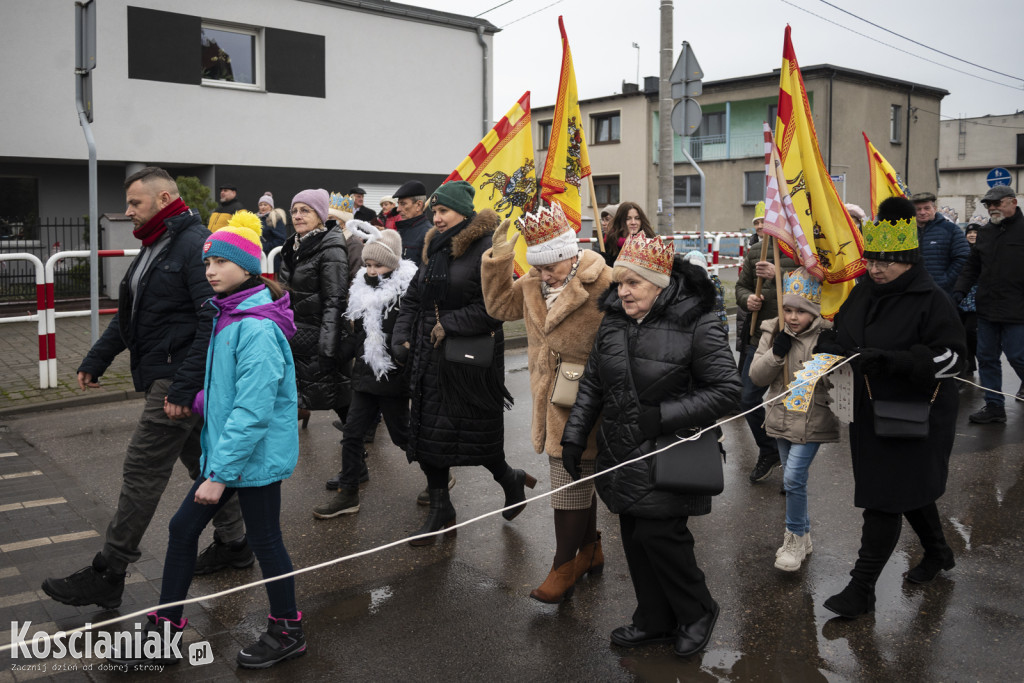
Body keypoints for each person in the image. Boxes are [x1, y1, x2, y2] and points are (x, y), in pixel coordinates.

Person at [42, 167, 249, 610]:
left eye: (136, 203)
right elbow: (132, 314)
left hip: (177, 378)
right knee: (203, 461)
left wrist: (182, 388)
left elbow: (209, 318)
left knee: (142, 469)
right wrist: (98, 357)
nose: (128, 211)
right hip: (170, 374)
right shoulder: (155, 244)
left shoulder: (194, 245)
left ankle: (109, 572)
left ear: (164, 198)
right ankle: (236, 544)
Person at [112, 211, 305, 668]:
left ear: (248, 268)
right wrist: (202, 402)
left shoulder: (254, 327)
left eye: (221, 261)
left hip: (249, 458)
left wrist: (217, 474)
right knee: (183, 529)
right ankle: (166, 632)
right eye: (206, 263)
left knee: (264, 540)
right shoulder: (229, 315)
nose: (211, 271)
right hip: (229, 453)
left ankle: (288, 629)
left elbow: (253, 410)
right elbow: (232, 393)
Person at [560, 232, 740, 657]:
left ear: (659, 284)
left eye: (632, 283)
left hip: (670, 451)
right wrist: (574, 437)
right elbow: (591, 385)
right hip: (621, 451)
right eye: (619, 283)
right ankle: (654, 620)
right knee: (636, 539)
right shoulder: (614, 320)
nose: (622, 291)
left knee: (662, 537)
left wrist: (663, 416)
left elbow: (729, 390)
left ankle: (698, 611)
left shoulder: (698, 320)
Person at [819, 196, 965, 619]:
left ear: (908, 261)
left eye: (886, 262)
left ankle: (860, 588)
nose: (875, 269)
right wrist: (831, 347)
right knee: (907, 491)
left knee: (884, 500)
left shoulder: (932, 299)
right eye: (872, 260)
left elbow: (956, 358)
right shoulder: (865, 290)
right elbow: (843, 332)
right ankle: (938, 553)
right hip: (870, 413)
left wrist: (897, 361)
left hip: (919, 416)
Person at [481, 203, 613, 603]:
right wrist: (500, 260)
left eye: (551, 267)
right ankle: (590, 551)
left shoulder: (604, 282)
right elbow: (498, 307)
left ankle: (562, 566)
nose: (544, 275)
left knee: (568, 479)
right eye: (537, 268)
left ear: (571, 254)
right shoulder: (531, 286)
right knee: (578, 473)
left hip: (588, 397)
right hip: (550, 396)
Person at [391, 181, 533, 545]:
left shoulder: (488, 248)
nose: (436, 218)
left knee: (476, 439)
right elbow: (413, 298)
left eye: (443, 211)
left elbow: (495, 309)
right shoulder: (432, 247)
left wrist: (447, 324)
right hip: (428, 354)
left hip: (468, 360)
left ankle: (509, 478)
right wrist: (401, 336)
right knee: (430, 438)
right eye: (434, 212)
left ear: (463, 213)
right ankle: (441, 509)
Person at [314, 223, 416, 518]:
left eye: (378, 265)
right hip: (364, 377)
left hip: (392, 378)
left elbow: (409, 338)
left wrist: (402, 355)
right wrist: (333, 357)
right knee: (352, 434)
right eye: (368, 264)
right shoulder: (360, 292)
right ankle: (348, 493)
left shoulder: (404, 295)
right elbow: (358, 337)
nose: (371, 270)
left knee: (402, 436)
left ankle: (437, 476)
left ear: (393, 264)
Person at [749, 267, 839, 572]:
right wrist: (776, 353)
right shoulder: (774, 331)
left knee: (792, 479)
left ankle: (794, 538)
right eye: (788, 309)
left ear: (813, 311)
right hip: (780, 415)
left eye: (800, 311)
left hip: (813, 418)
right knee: (794, 478)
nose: (792, 317)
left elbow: (838, 384)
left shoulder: (827, 335)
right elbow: (756, 377)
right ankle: (805, 533)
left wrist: (829, 360)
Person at [278, 189, 351, 429]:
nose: (297, 216)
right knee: (320, 394)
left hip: (318, 338)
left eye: (305, 210)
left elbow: (335, 300)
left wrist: (327, 349)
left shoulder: (330, 248)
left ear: (320, 215)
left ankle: (357, 448)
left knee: (338, 396)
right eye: (294, 211)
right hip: (296, 336)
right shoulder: (293, 246)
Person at [735, 207, 798, 484]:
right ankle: (769, 450)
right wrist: (747, 299)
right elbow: (741, 287)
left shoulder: (802, 251)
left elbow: (814, 287)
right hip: (759, 338)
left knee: (792, 403)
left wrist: (778, 275)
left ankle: (794, 467)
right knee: (748, 398)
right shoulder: (755, 251)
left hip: (795, 338)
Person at [953, 186, 1024, 422]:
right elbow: (972, 267)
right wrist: (959, 291)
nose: (992, 208)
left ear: (1013, 202)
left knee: (1017, 356)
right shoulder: (985, 233)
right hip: (987, 308)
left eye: (997, 203)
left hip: (1018, 309)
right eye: (988, 205)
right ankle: (994, 407)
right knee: (986, 358)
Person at [911, 191, 969, 297]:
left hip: (941, 293)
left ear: (935, 209)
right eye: (918, 209)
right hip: (913, 292)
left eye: (927, 208)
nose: (922, 212)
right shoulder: (906, 231)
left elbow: (963, 257)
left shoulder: (950, 229)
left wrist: (944, 281)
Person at [957, 220, 984, 379]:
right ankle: (969, 365)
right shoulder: (962, 250)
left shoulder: (985, 250)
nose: (972, 235)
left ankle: (983, 361)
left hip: (979, 299)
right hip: (962, 298)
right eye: (970, 233)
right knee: (962, 333)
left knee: (971, 331)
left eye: (975, 232)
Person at [601, 201, 655, 267]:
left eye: (637, 218)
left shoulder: (651, 242)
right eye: (628, 218)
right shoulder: (610, 242)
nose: (633, 222)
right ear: (620, 220)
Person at [327, 193, 365, 284]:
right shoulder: (328, 239)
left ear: (344, 223)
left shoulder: (354, 244)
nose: (327, 222)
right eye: (327, 218)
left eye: (331, 218)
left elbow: (356, 278)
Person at [393, 180, 432, 267]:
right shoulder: (401, 230)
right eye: (398, 204)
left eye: (403, 204)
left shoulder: (428, 235)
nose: (398, 209)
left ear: (418, 205)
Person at [257, 192, 289, 257]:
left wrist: (263, 247)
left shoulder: (275, 219)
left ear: (271, 206)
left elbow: (281, 240)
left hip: (272, 257)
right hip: (259, 255)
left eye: (265, 205)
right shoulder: (255, 219)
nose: (263, 207)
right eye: (260, 205)